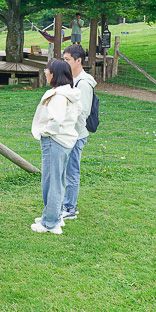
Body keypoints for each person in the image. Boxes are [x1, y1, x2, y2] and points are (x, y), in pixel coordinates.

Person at [30, 60, 80, 234]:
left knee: (51, 182)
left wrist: (45, 132)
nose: (45, 73)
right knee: (56, 180)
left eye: (48, 70)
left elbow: (56, 120)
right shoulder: (69, 93)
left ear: (55, 74)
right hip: (64, 141)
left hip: (55, 141)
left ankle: (50, 222)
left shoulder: (59, 96)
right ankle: (54, 214)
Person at [62, 43, 96, 221]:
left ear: (78, 61)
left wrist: (69, 131)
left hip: (76, 135)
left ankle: (70, 208)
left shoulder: (84, 83)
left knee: (72, 171)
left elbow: (83, 112)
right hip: (67, 134)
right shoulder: (71, 79)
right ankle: (65, 203)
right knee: (66, 170)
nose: (64, 62)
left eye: (67, 59)